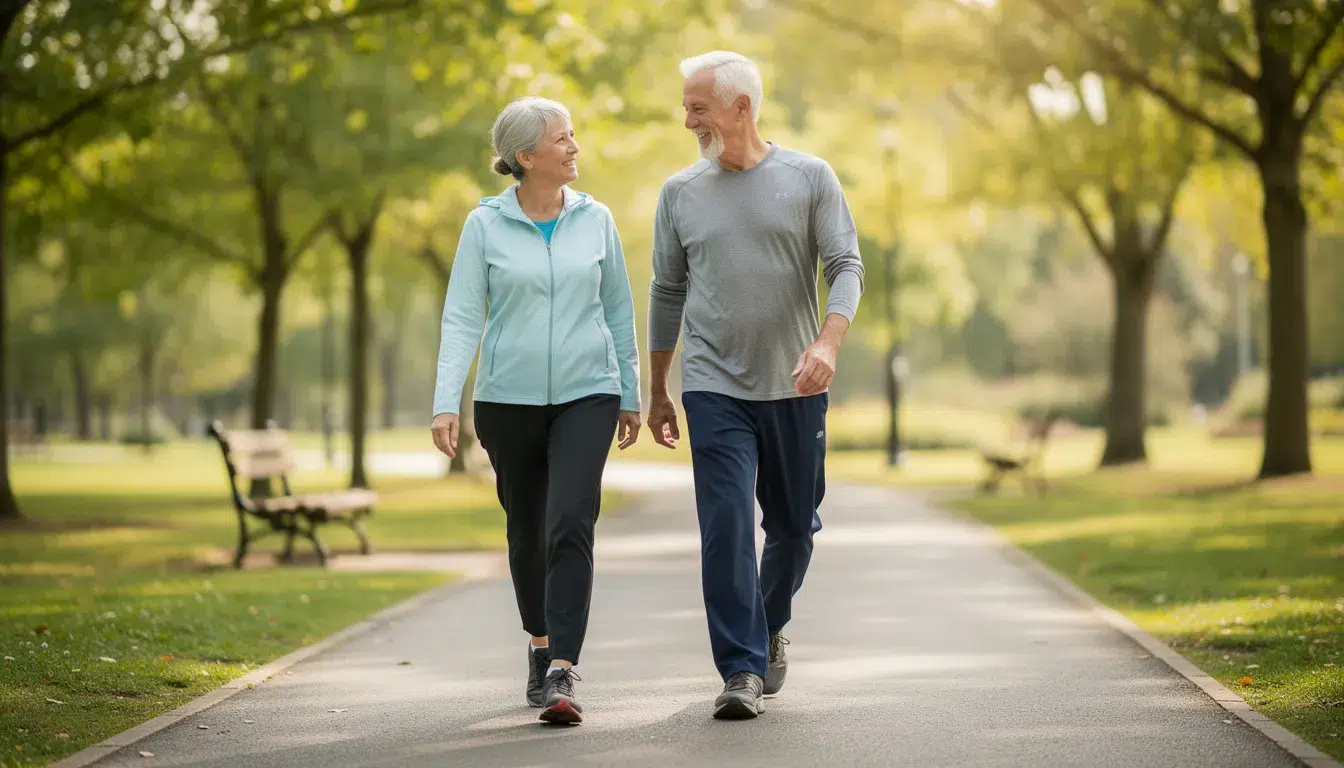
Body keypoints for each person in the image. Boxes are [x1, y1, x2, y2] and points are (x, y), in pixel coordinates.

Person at [646, 51, 864, 720]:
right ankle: (740, 669)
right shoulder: (679, 193)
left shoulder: (809, 177)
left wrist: (827, 342)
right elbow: (667, 290)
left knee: (795, 527)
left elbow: (846, 265)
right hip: (713, 385)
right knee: (726, 525)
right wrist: (658, 387)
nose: (687, 119)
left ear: (742, 108)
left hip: (795, 386)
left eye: (698, 106)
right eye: (686, 106)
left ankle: (765, 626)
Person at [430, 96, 642, 725]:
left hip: (588, 392)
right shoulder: (484, 225)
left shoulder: (596, 218)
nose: (575, 146)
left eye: (573, 135)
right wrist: (448, 401)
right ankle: (540, 640)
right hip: (508, 399)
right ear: (525, 157)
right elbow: (464, 316)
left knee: (572, 519)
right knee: (528, 530)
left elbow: (618, 309)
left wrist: (629, 390)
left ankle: (563, 669)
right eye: (562, 138)